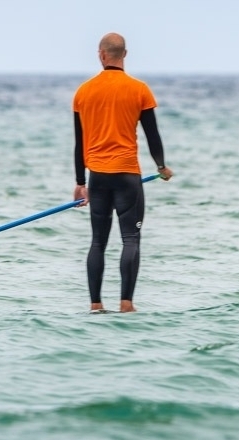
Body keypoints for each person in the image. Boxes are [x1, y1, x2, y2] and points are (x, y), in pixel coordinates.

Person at [72, 32, 174, 313]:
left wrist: (81, 182)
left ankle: (95, 305)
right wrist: (161, 167)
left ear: (101, 54)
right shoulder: (139, 89)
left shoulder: (83, 92)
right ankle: (126, 304)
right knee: (131, 239)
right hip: (128, 175)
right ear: (124, 55)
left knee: (97, 241)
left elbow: (79, 143)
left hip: (98, 176)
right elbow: (152, 135)